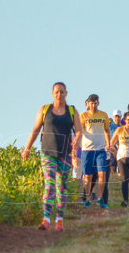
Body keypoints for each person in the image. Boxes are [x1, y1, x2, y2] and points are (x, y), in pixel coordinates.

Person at [21, 82, 81, 230]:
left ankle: (59, 219)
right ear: (52, 94)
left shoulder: (72, 111)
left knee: (62, 186)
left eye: (61, 92)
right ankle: (46, 219)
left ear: (66, 93)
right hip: (47, 153)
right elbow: (35, 129)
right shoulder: (44, 110)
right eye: (56, 92)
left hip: (65, 153)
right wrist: (27, 148)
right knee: (49, 185)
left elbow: (79, 130)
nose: (59, 94)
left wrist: (77, 141)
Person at [79, 94, 112, 208]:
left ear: (98, 103)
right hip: (87, 150)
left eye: (95, 103)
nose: (93, 105)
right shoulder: (83, 116)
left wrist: (109, 144)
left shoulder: (104, 115)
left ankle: (100, 198)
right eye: (91, 103)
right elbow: (79, 131)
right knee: (87, 176)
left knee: (102, 173)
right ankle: (87, 198)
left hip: (100, 149)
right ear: (87, 104)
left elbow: (107, 130)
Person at [109, 110, 129, 206]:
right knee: (124, 178)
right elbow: (111, 143)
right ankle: (125, 200)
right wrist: (115, 151)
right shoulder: (119, 130)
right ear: (125, 120)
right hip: (122, 157)